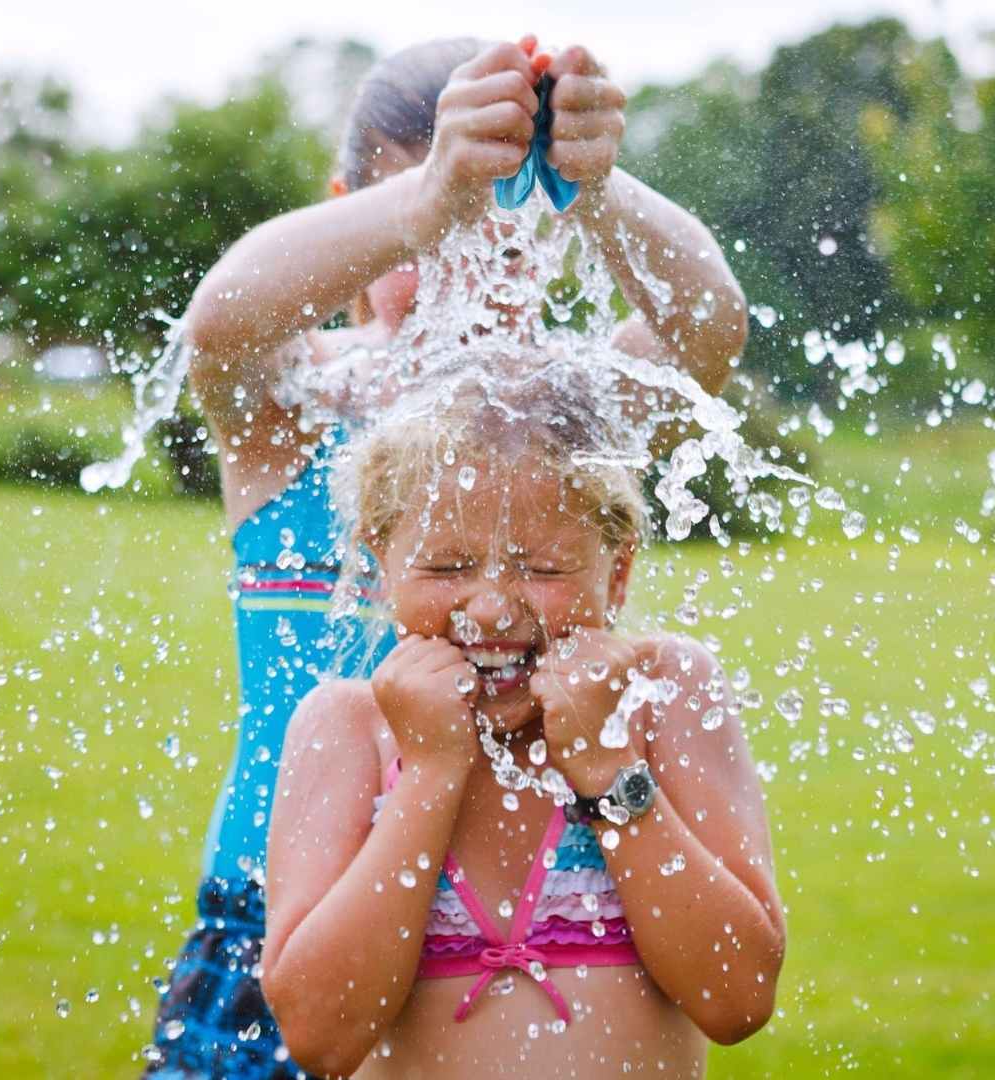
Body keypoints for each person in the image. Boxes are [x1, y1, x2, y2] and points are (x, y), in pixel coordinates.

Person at [146, 33, 748, 1078]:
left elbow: (707, 330)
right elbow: (223, 326)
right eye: (429, 236)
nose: (465, 266)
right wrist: (432, 196)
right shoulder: (303, 412)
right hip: (279, 916)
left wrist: (597, 189)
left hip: (520, 906)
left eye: (500, 233)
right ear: (355, 215)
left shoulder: (571, 424)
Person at [262, 371, 785, 1079]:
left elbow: (738, 997)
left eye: (541, 567)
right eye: (446, 566)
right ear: (381, 564)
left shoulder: (661, 696)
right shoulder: (347, 727)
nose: (489, 609)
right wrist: (431, 773)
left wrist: (607, 769)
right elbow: (323, 1036)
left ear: (619, 570)